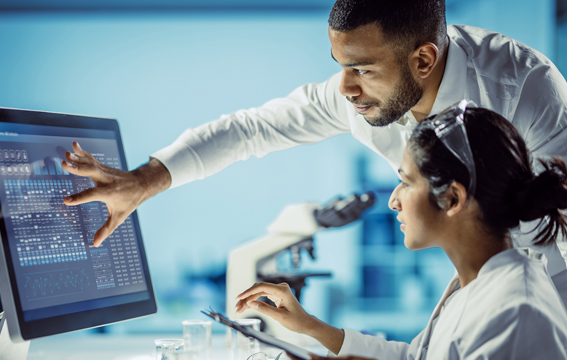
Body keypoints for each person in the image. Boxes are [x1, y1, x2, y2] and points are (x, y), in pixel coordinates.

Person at [61, 0, 567, 300]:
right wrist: (147, 179)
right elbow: (250, 129)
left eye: (363, 69)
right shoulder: (355, 93)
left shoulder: (525, 88)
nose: (345, 88)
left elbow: (554, 229)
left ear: (424, 59)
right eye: (340, 64)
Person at [234, 104, 567, 359]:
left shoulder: (516, 313)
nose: (393, 200)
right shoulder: (477, 283)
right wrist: (309, 327)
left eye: (406, 182)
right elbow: (414, 357)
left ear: (452, 198)